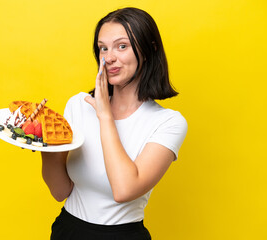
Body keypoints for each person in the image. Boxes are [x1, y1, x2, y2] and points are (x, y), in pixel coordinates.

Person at [41, 7, 188, 240]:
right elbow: (60, 191)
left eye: (122, 46)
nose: (108, 57)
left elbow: (124, 190)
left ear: (148, 50)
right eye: (103, 48)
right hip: (67, 231)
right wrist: (44, 146)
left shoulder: (168, 122)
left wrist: (105, 116)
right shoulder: (79, 105)